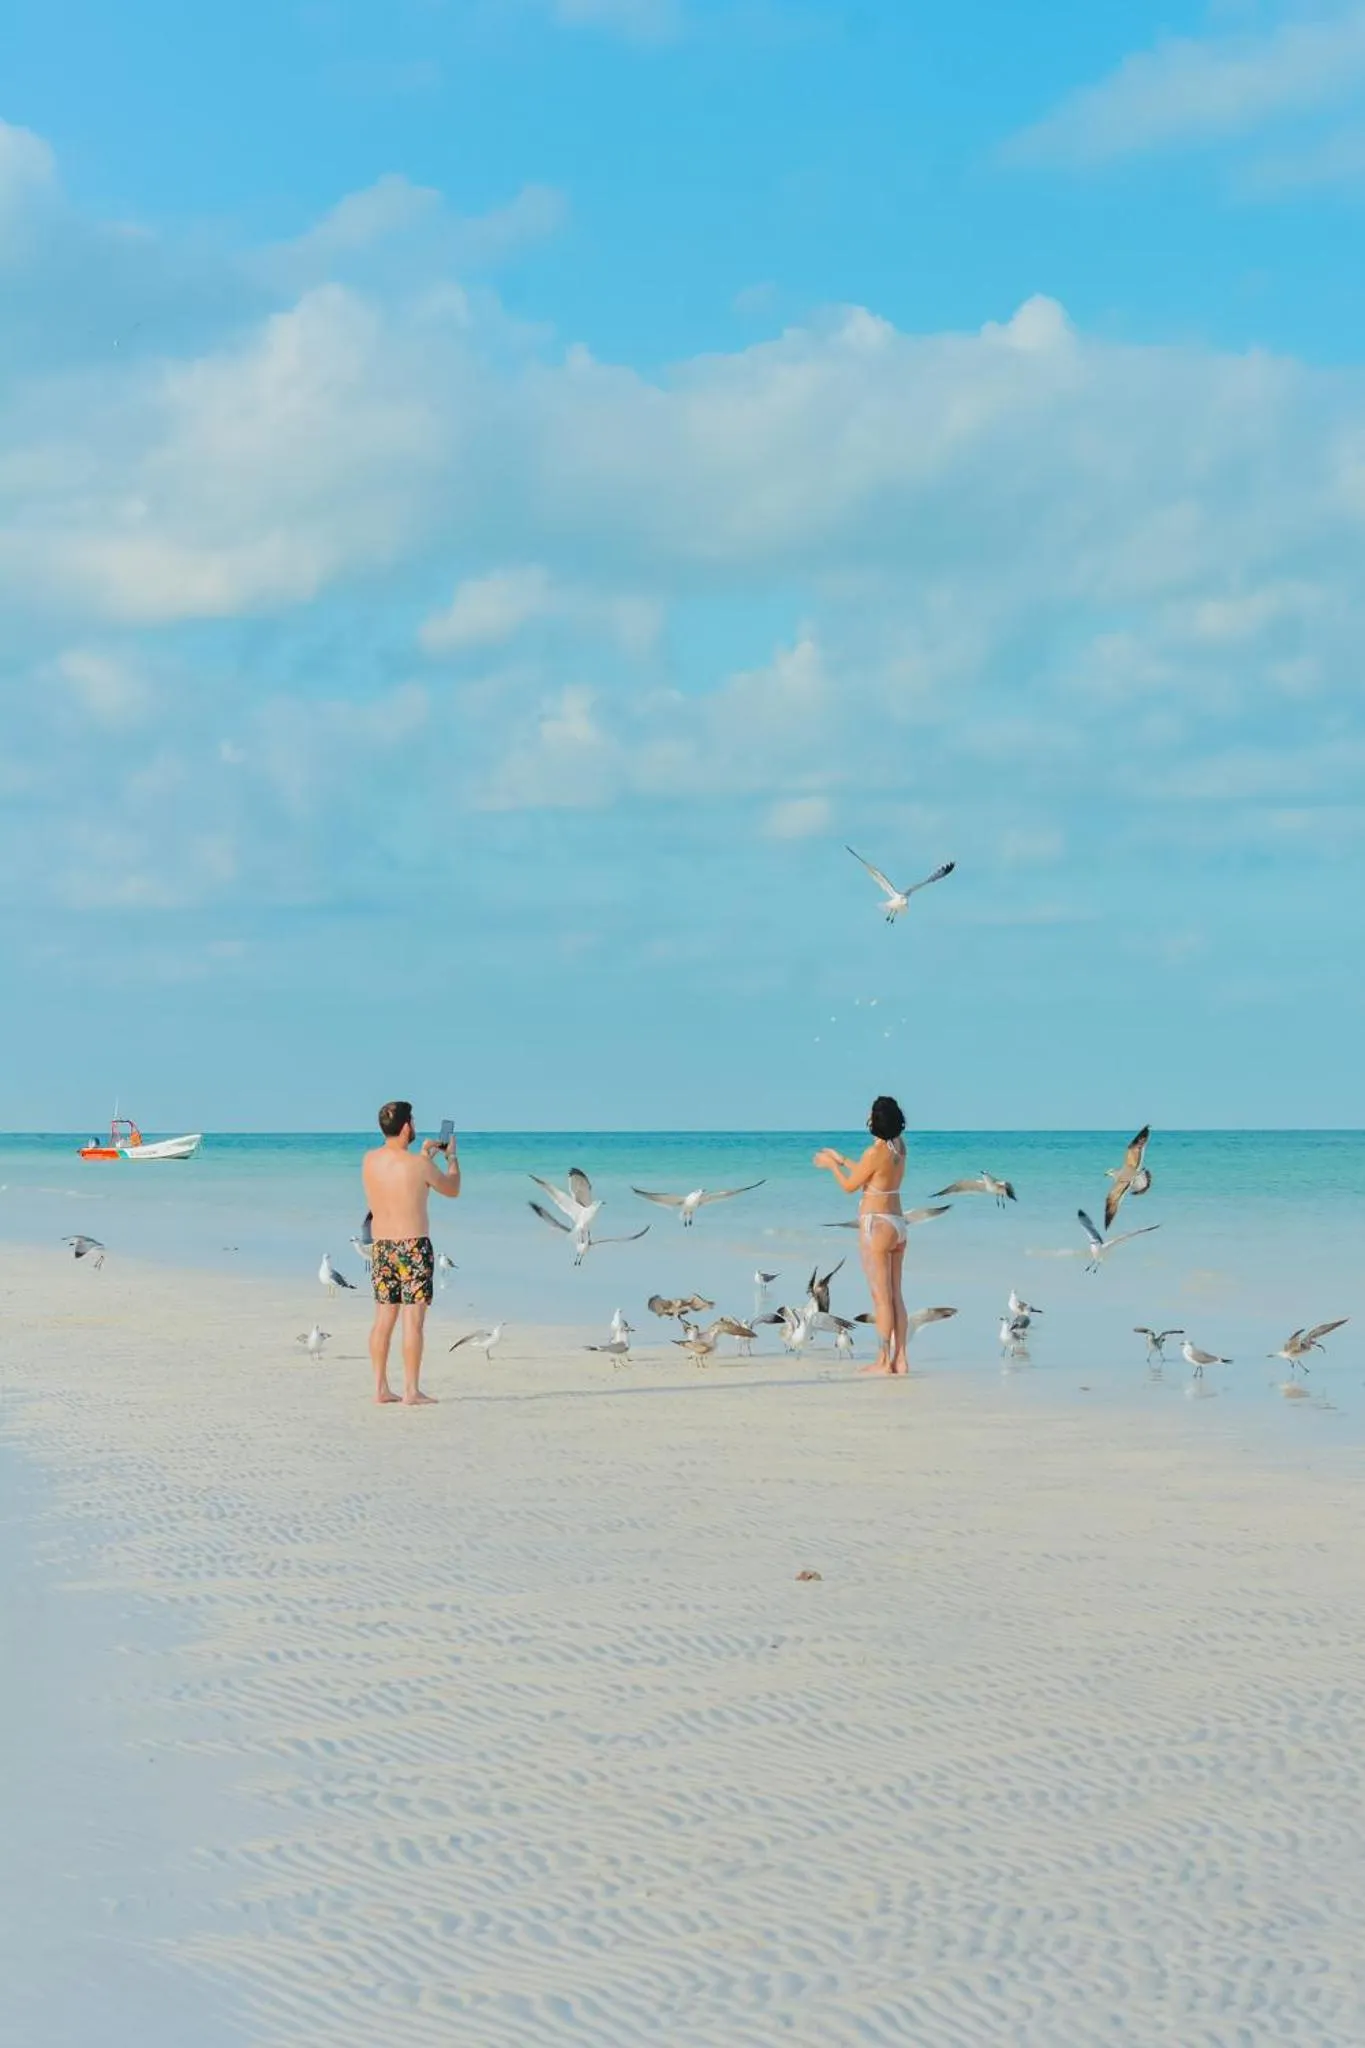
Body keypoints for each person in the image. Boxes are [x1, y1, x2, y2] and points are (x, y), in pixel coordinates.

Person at [361, 1101, 461, 1406]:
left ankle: (380, 1388)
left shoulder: (369, 1161)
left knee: (383, 1320)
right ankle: (411, 1391)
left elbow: (402, 1185)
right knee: (413, 1322)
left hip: (382, 1247)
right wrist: (451, 1157)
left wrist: (424, 1156)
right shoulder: (419, 1166)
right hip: (412, 1248)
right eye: (413, 1120)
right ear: (406, 1127)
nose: (415, 1125)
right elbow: (452, 1188)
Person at [813, 1096, 910, 1376]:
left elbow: (850, 1186)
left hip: (876, 1226)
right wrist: (842, 1159)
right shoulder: (899, 1146)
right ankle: (901, 1359)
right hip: (897, 1224)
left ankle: (883, 1361)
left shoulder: (873, 1152)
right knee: (896, 1296)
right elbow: (872, 1176)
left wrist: (831, 1166)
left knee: (881, 1299)